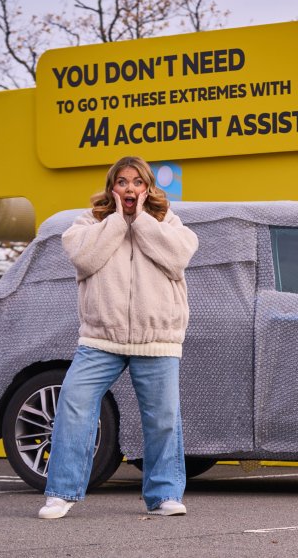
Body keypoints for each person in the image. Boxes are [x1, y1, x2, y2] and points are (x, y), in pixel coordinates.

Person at [37, 156, 199, 520]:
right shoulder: (88, 223)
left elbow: (178, 259)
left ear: (147, 188)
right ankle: (61, 492)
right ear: (112, 187)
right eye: (122, 182)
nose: (130, 188)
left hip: (156, 337)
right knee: (74, 405)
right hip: (99, 338)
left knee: (163, 418)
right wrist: (115, 222)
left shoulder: (166, 222)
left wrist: (140, 221)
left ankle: (164, 495)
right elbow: (85, 259)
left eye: (137, 182)